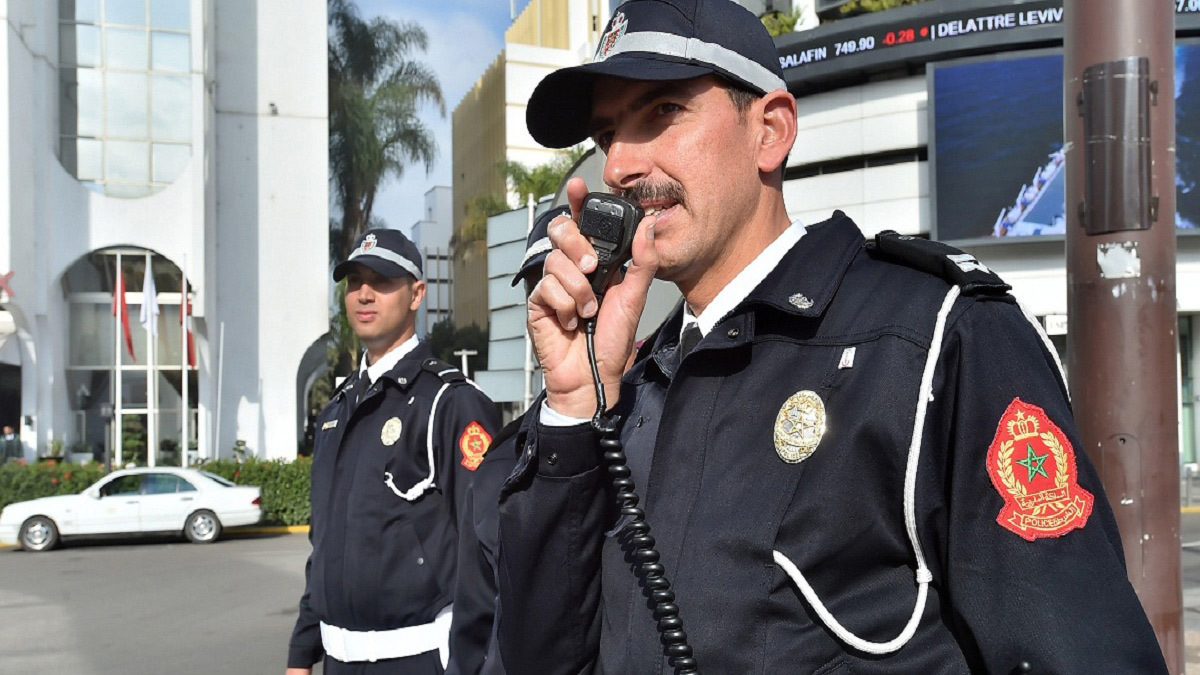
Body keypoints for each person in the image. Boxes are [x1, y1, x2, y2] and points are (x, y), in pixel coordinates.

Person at [496, 1, 1168, 673]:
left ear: (770, 131)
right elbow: (537, 656)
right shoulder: (627, 391)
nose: (620, 165)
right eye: (608, 133)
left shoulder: (933, 340)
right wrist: (575, 410)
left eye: (662, 112)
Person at [288, 228, 501, 675]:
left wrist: (472, 663)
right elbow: (324, 544)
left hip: (418, 659)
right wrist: (301, 652)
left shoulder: (451, 402)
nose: (364, 294)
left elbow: (483, 552)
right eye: (354, 282)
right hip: (337, 660)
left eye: (382, 281)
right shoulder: (334, 411)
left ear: (416, 294)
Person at [446, 204, 568, 675]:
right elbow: (474, 626)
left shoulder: (665, 425)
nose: (559, 303)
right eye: (541, 286)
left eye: (578, 278)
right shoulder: (501, 461)